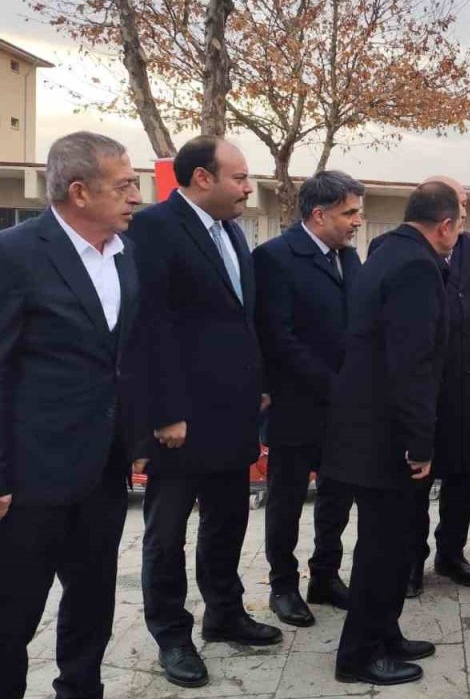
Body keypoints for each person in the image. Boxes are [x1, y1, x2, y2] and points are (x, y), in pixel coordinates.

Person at [0, 131, 152, 699]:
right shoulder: (13, 253)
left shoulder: (126, 254)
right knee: (12, 613)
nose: (136, 195)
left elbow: (124, 355)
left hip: (102, 471)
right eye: (124, 185)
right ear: (79, 192)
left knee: (92, 601)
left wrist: (135, 436)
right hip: (28, 478)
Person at [128, 136, 281, 688]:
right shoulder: (154, 229)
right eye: (239, 177)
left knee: (229, 518)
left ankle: (224, 612)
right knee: (167, 533)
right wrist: (165, 412)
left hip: (233, 411)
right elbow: (150, 327)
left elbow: (242, 318)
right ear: (201, 179)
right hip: (181, 420)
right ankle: (172, 635)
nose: (248, 188)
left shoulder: (232, 234)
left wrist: (259, 383)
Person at [319, 181, 460, 686]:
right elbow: (411, 364)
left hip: (366, 426)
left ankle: (385, 632)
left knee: (394, 542)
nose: (457, 233)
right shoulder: (417, 267)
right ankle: (357, 656)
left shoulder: (386, 251)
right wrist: (419, 443)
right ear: (444, 225)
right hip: (386, 437)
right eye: (459, 223)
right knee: (383, 548)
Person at [253, 170, 364, 627]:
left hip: (344, 408)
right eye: (349, 212)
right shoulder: (275, 257)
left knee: (338, 494)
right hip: (296, 404)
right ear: (319, 215)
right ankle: (283, 584)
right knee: (287, 498)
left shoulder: (349, 258)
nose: (357, 221)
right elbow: (278, 337)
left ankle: (326, 574)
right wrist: (332, 384)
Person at [398, 175, 470, 598]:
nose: (461, 213)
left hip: (468, 378)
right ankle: (410, 560)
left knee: (463, 475)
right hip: (426, 385)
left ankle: (452, 552)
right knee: (417, 479)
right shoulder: (408, 250)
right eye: (453, 205)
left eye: (465, 204)